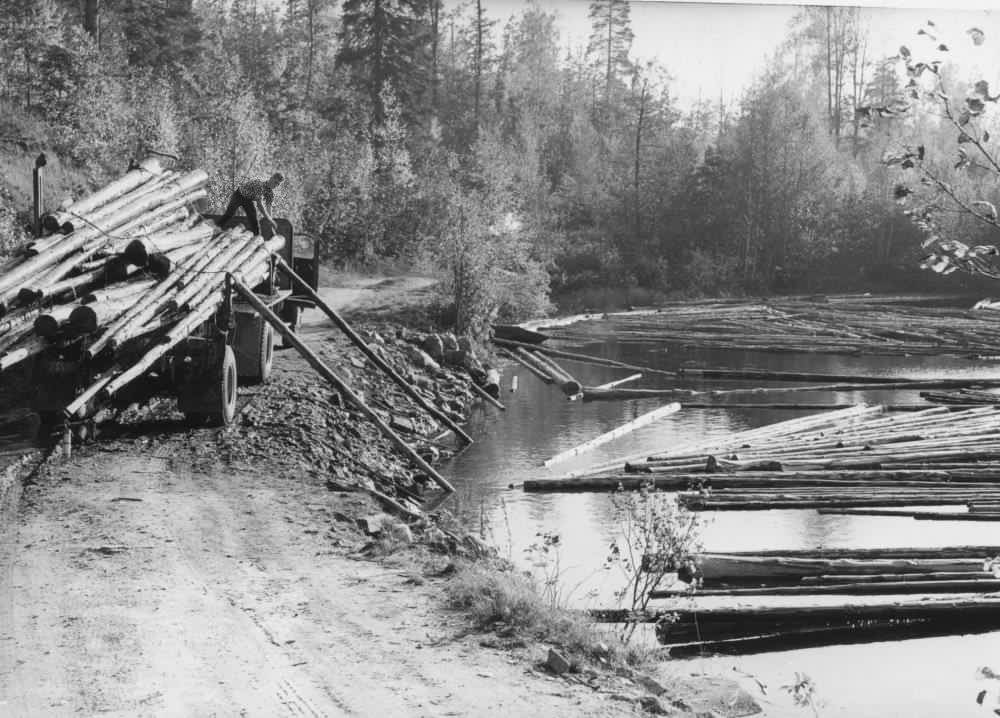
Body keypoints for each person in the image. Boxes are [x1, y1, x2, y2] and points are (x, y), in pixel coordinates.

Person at [217, 172, 284, 235]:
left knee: (254, 219)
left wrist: (271, 223)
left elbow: (269, 207)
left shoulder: (270, 193)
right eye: (275, 182)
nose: (276, 185)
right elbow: (259, 205)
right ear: (271, 178)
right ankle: (217, 227)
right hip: (239, 195)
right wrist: (269, 219)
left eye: (278, 184)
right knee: (230, 213)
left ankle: (257, 236)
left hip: (248, 200)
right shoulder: (260, 185)